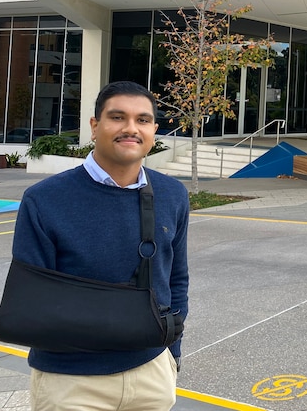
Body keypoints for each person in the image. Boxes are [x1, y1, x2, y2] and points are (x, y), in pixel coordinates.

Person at [11, 81, 189, 411]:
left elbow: (176, 279)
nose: (131, 129)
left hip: (151, 373)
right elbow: (32, 302)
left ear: (154, 130)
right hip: (71, 382)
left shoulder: (173, 194)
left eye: (143, 120)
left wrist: (171, 355)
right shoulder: (45, 200)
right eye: (117, 117)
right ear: (95, 126)